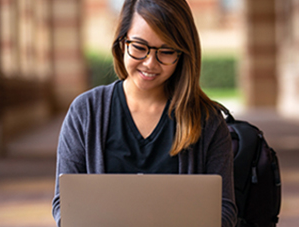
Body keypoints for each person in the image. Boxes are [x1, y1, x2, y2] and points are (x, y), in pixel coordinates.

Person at [51, 0, 237, 226]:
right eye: (139, 47)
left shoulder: (207, 120)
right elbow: (64, 205)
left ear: (183, 54)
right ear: (122, 43)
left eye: (166, 51)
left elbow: (224, 209)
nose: (150, 63)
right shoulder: (85, 112)